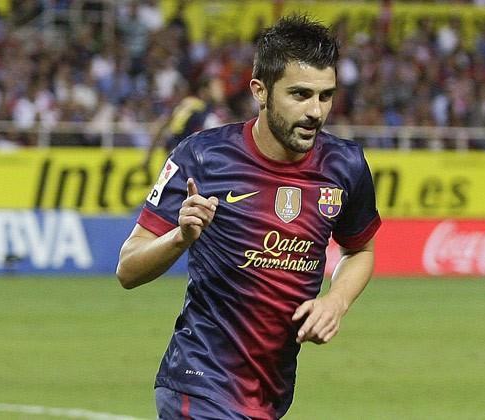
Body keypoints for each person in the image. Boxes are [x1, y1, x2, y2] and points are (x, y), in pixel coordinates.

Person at [116, 15, 381, 419]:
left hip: (270, 393)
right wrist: (179, 238)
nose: (315, 111)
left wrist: (336, 301)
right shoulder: (203, 157)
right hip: (199, 383)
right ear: (260, 91)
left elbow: (360, 250)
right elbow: (127, 269)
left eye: (325, 96)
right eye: (300, 94)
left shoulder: (345, 166)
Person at [141, 76, 229, 171]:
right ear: (204, 90)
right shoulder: (196, 108)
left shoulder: (190, 103)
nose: (221, 90)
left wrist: (148, 157)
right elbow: (175, 129)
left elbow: (164, 126)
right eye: (216, 87)